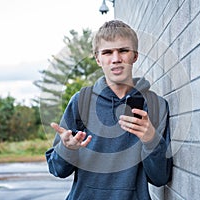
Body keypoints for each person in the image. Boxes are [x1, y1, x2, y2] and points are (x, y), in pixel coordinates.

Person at [46, 20, 173, 200]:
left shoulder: (155, 105)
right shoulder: (81, 101)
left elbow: (160, 178)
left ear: (135, 55)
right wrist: (67, 149)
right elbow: (57, 170)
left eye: (123, 50)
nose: (116, 59)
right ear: (98, 59)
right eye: (107, 52)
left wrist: (150, 139)